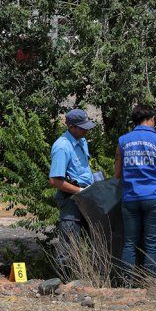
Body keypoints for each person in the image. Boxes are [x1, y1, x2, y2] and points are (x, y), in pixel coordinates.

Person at [114, 106, 156, 276]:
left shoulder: (123, 141)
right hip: (155, 197)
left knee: (129, 243)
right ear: (152, 119)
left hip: (131, 197)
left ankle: (127, 282)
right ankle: (150, 283)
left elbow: (117, 174)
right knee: (152, 243)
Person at [49, 109, 96, 266]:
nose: (86, 130)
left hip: (86, 195)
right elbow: (55, 181)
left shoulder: (81, 141)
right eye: (82, 127)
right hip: (71, 199)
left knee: (95, 238)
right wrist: (80, 191)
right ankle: (62, 284)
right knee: (69, 242)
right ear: (71, 126)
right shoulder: (62, 147)